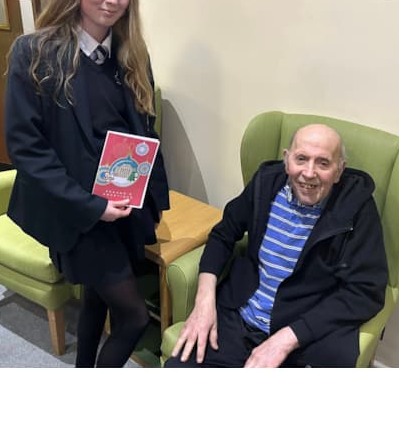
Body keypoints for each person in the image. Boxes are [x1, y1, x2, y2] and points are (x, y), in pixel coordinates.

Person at [5, 0, 169, 367]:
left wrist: (143, 194)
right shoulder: (35, 53)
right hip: (75, 210)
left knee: (97, 298)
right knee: (133, 317)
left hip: (122, 204)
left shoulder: (132, 55)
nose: (113, 0)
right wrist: (91, 206)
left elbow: (143, 130)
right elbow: (26, 148)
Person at [166, 123, 387, 368]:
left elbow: (367, 291)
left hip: (303, 337)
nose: (309, 173)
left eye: (323, 163)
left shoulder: (357, 208)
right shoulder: (266, 183)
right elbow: (223, 234)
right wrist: (204, 302)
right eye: (301, 159)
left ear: (339, 171)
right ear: (286, 160)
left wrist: (286, 339)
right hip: (238, 318)